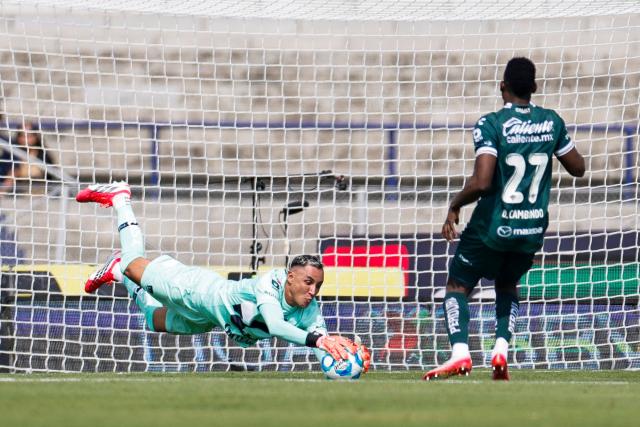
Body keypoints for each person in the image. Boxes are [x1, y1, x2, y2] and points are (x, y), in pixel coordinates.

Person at [76, 181, 371, 369]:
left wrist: (342, 355)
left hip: (210, 319)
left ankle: (116, 270)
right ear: (290, 277)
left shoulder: (311, 311)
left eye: (318, 285)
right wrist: (319, 342)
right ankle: (120, 198)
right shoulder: (271, 282)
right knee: (133, 263)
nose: (313, 291)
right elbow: (276, 325)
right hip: (202, 292)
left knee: (155, 320)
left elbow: (321, 343)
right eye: (308, 282)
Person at [423, 57, 585, 381]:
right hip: (531, 228)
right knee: (507, 284)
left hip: (493, 227)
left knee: (457, 285)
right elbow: (578, 168)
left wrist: (454, 205)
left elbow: (482, 182)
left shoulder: (491, 124)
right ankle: (500, 350)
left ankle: (460, 354)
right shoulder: (552, 121)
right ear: (535, 87)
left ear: (502, 87)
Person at [0, 122, 56, 193]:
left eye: (29, 135)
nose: (25, 139)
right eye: (22, 135)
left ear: (36, 136)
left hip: (41, 193)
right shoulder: (10, 154)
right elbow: (9, 177)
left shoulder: (43, 155)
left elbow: (51, 176)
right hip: (17, 194)